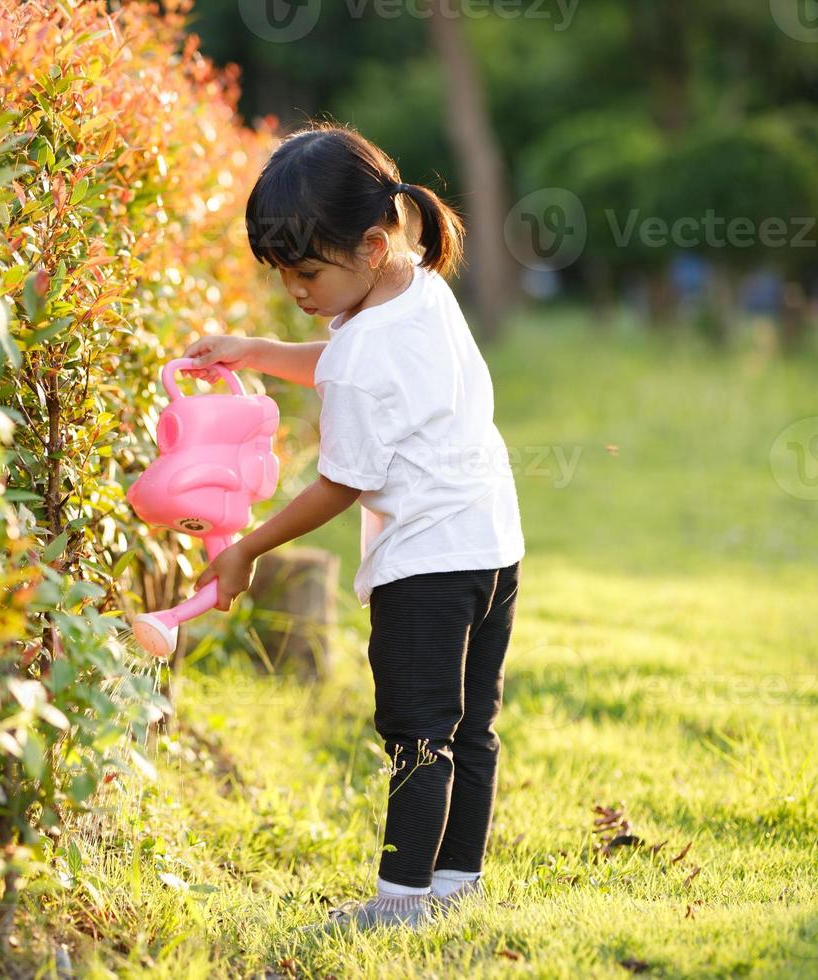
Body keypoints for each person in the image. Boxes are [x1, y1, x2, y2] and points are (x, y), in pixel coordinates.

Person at [185, 123, 525, 933]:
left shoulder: (366, 344)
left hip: (426, 567)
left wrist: (248, 548)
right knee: (470, 728)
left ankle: (399, 903)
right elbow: (343, 356)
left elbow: (342, 482)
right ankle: (453, 886)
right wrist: (257, 349)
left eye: (305, 272)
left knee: (417, 734)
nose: (296, 290)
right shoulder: (417, 286)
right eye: (283, 274)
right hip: (492, 547)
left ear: (370, 245)